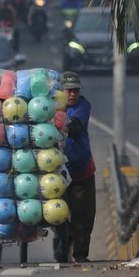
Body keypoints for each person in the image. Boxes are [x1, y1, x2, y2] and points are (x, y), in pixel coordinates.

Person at [54, 72, 96, 263]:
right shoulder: (48, 106)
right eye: (68, 90)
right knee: (58, 213)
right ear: (60, 91)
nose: (72, 94)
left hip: (81, 169)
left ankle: (80, 254)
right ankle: (62, 241)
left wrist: (60, 125)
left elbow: (75, 125)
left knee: (83, 214)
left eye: (75, 91)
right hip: (55, 173)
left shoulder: (82, 105)